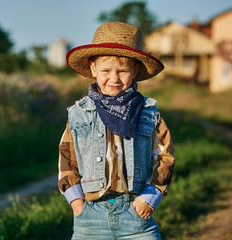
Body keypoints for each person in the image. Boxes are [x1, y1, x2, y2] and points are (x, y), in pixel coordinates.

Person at [58, 22, 175, 239]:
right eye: (105, 71)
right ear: (93, 69)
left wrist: (149, 197)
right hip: (90, 216)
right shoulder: (78, 113)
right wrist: (77, 204)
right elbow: (67, 160)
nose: (114, 78)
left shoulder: (148, 112)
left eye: (122, 71)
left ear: (135, 70)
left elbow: (164, 157)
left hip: (136, 213)